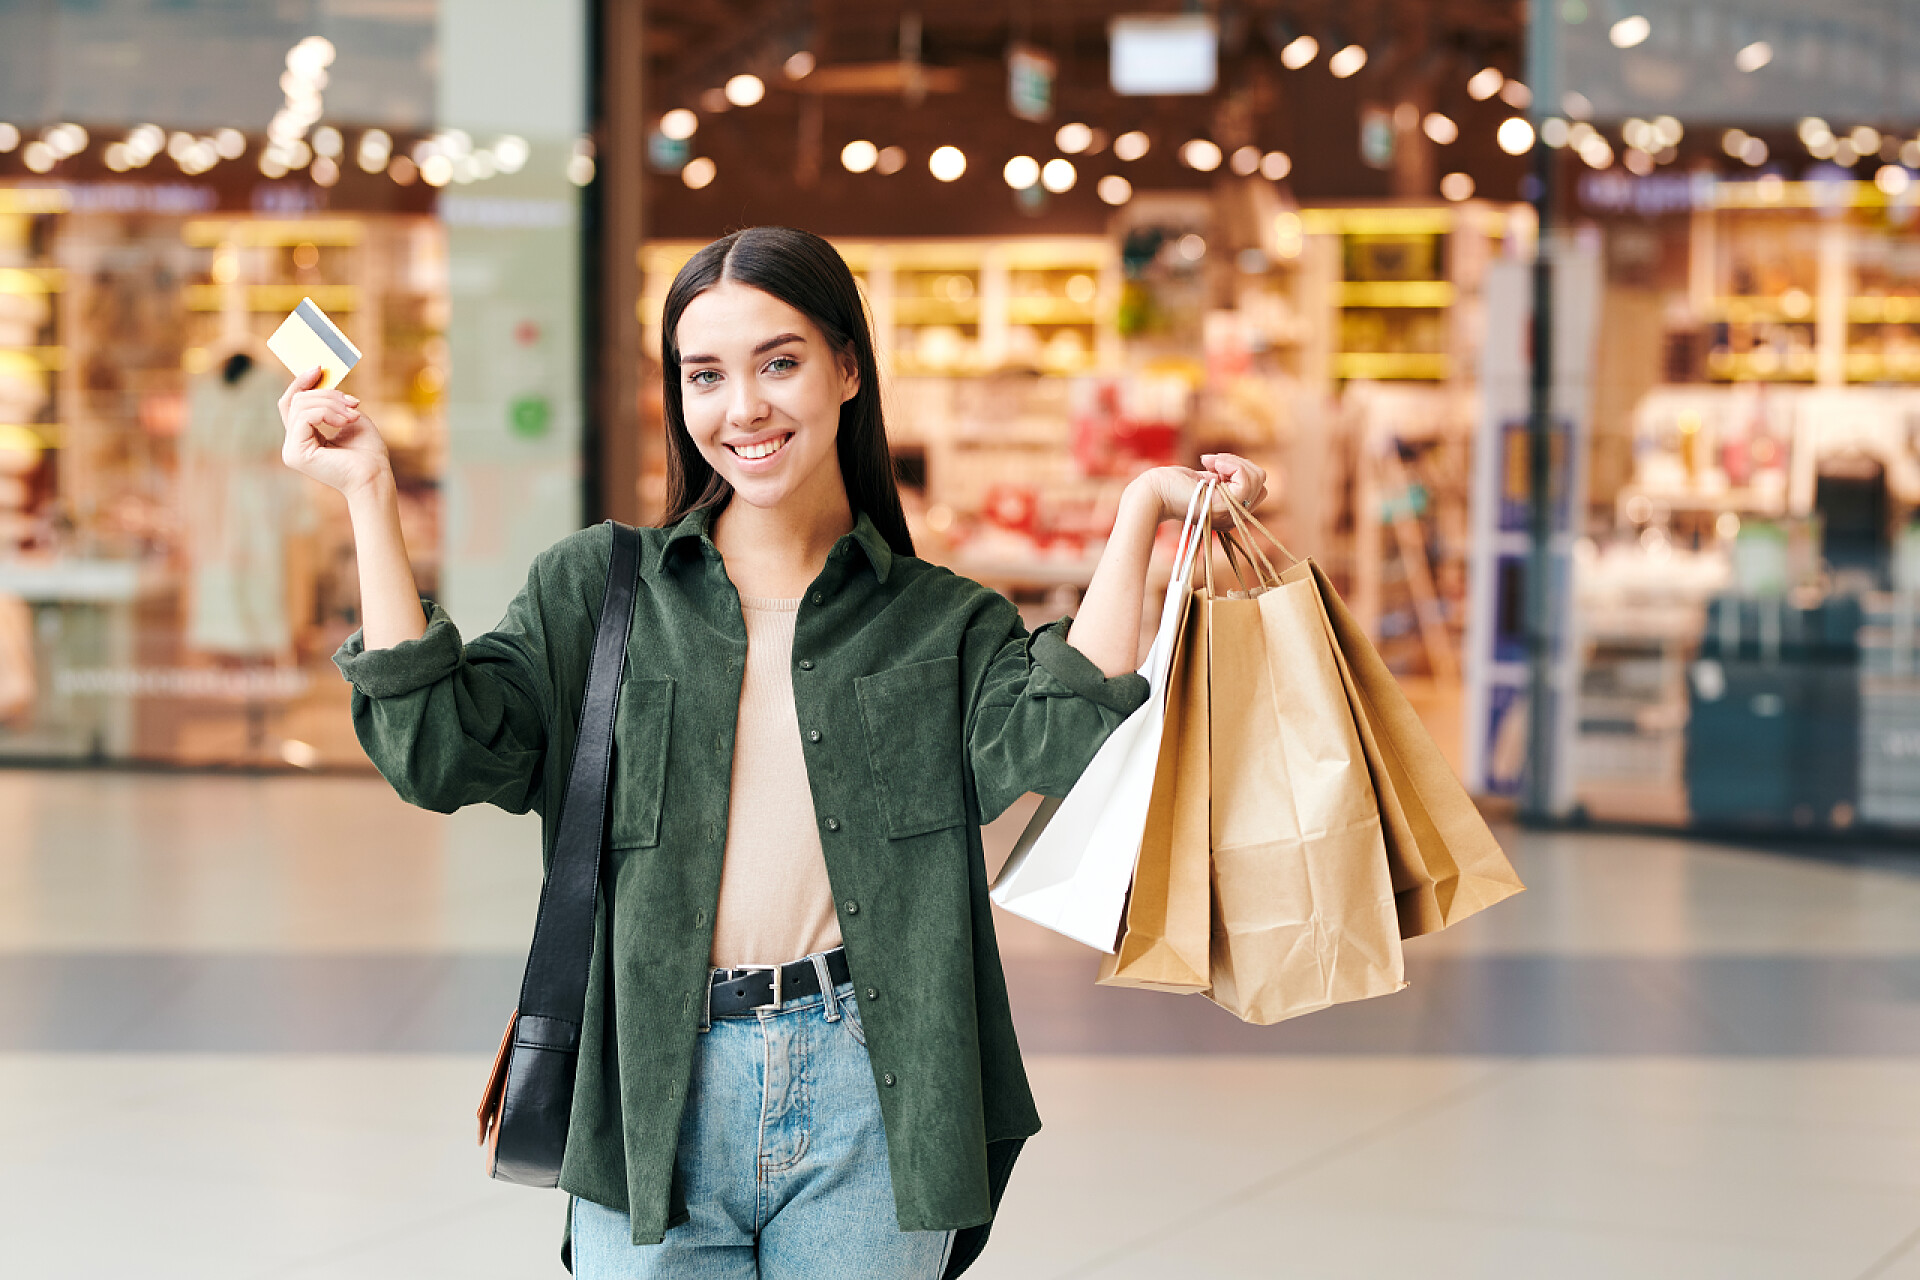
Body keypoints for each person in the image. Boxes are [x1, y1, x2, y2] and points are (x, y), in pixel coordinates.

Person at [278, 225, 1266, 1280]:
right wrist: (368, 494)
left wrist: (1142, 516)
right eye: (705, 374)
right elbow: (435, 748)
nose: (741, 407)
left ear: (847, 368)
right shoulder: (598, 593)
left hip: (872, 1089)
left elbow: (1058, 728)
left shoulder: (942, 621)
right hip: (647, 1086)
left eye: (778, 362)